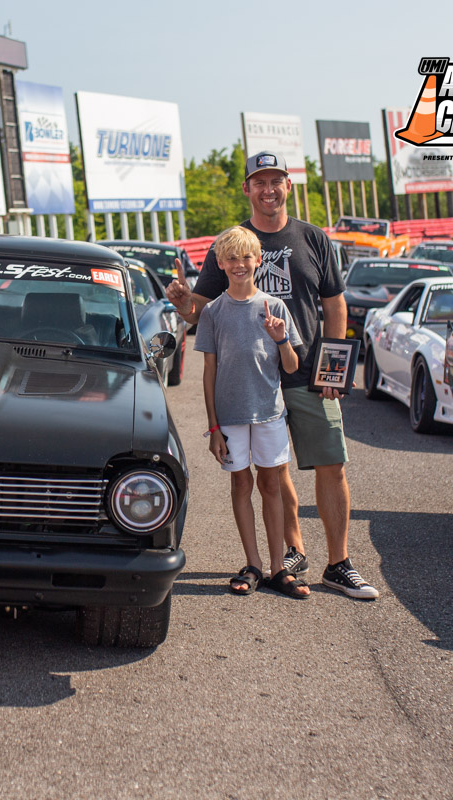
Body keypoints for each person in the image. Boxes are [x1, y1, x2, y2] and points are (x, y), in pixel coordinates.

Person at [166, 151, 379, 600]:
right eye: (259, 182)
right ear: (247, 188)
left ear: (287, 184)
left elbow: (334, 304)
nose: (268, 189)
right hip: (251, 381)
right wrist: (184, 304)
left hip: (304, 372)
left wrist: (332, 368)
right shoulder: (230, 245)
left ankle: (338, 563)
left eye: (276, 180)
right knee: (271, 471)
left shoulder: (312, 238)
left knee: (331, 463)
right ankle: (292, 552)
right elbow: (205, 309)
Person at [195, 226, 309, 598]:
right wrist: (213, 427)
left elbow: (291, 367)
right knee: (241, 484)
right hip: (229, 416)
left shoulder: (275, 308)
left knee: (271, 483)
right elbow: (209, 371)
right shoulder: (213, 311)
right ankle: (254, 563)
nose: (239, 264)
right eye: (231, 258)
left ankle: (279, 568)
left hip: (269, 413)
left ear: (258, 260)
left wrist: (280, 339)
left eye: (246, 257)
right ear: (220, 263)